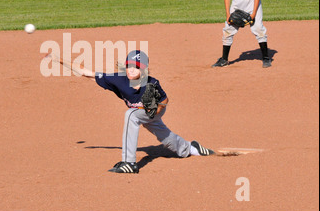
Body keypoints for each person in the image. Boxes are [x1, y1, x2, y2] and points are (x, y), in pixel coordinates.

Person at [47, 50, 215, 174]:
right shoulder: (117, 79)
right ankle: (190, 148)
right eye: (129, 67)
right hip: (143, 113)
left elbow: (164, 100)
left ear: (144, 69)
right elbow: (86, 72)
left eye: (136, 67)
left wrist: (156, 109)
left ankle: (129, 163)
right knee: (165, 137)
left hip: (156, 110)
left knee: (131, 115)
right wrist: (58, 59)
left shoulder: (152, 83)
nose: (131, 70)